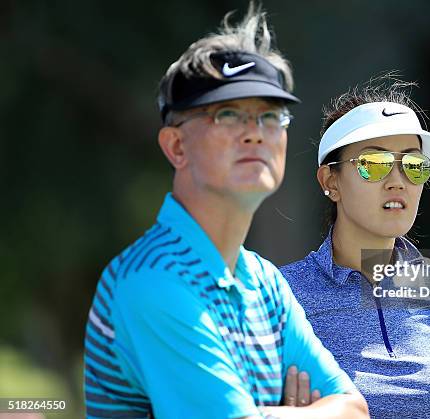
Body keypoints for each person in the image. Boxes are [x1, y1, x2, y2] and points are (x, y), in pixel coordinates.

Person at [83, 5, 369, 419]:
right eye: (228, 114)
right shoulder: (152, 280)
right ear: (176, 147)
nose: (255, 132)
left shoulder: (267, 283)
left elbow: (357, 410)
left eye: (271, 115)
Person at [280, 78, 430, 419]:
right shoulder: (281, 294)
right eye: (374, 163)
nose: (397, 180)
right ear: (330, 182)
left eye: (414, 165)